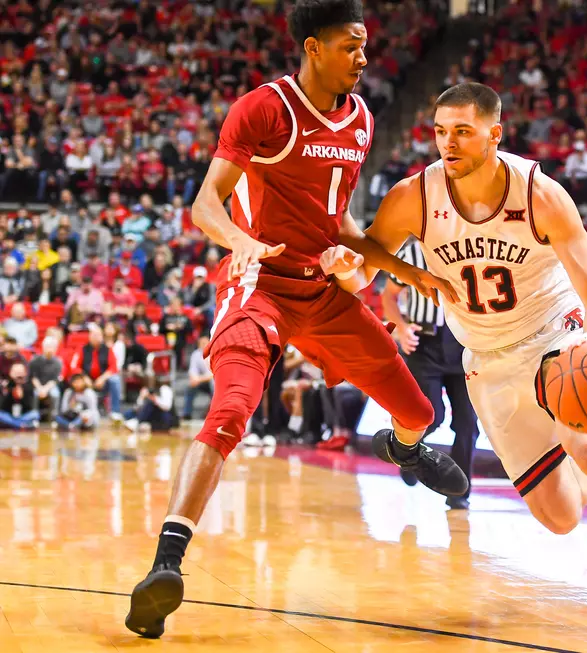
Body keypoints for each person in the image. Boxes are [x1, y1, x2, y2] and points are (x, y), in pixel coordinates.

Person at [125, 0, 465, 639]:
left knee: (421, 413)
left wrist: (404, 270)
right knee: (230, 412)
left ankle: (406, 445)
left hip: (321, 288)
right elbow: (204, 205)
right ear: (313, 47)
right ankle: (164, 566)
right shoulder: (264, 108)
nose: (364, 58)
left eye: (366, 45)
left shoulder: (361, 119)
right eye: (351, 45)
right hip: (258, 284)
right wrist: (240, 242)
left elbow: (338, 220)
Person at [338, 82, 587, 639]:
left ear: (495, 132)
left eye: (463, 131)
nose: (448, 143)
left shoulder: (539, 192)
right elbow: (363, 267)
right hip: (486, 359)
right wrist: (343, 264)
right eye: (441, 131)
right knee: (559, 517)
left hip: (552, 337)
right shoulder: (415, 196)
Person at [382, 238, 479, 510]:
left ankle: (459, 491)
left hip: (463, 343)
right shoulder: (411, 251)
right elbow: (388, 295)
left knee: (468, 423)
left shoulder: (473, 250)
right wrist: (400, 328)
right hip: (423, 344)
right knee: (429, 416)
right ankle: (407, 453)